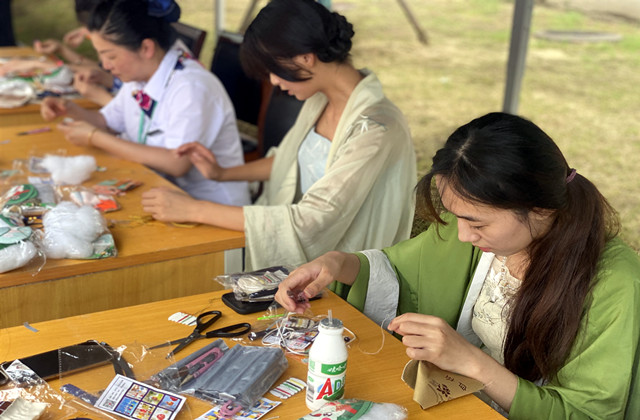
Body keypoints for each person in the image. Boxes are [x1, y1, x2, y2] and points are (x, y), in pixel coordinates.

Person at [275, 112, 640, 419]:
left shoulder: (614, 284)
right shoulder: (475, 225)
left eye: (476, 223)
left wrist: (471, 362)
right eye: (456, 216)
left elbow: (586, 412)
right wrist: (337, 264)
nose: (462, 235)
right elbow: (402, 273)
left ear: (540, 210)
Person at [141, 0, 417, 270]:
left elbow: (311, 221)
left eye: (274, 70)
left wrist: (193, 210)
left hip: (340, 269)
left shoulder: (376, 128)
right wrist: (221, 173)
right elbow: (287, 161)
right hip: (305, 253)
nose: (273, 80)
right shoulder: (320, 99)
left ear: (305, 57)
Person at [40, 0, 251, 207]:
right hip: (161, 192)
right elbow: (108, 121)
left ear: (146, 48)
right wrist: (70, 109)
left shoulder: (191, 87)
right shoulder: (139, 76)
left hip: (210, 207)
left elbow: (176, 163)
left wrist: (95, 137)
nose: (105, 65)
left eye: (110, 56)